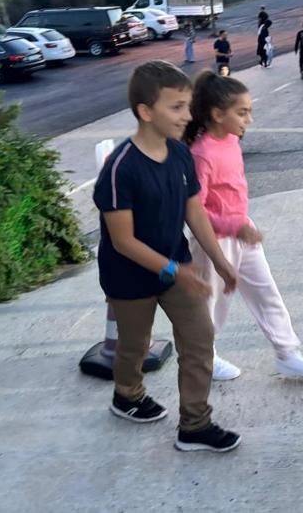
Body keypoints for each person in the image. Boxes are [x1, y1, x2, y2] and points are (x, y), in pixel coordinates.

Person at [92, 60, 241, 453]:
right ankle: (127, 394)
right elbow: (123, 241)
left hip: (177, 267)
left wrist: (220, 261)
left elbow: (195, 211)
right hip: (130, 275)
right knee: (135, 346)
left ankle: (194, 425)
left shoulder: (179, 154)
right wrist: (175, 269)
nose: (186, 116)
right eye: (176, 107)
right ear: (145, 111)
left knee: (199, 339)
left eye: (187, 106)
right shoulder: (120, 169)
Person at [184, 71, 303, 381]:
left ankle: (288, 354)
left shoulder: (232, 140)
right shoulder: (202, 153)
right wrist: (233, 226)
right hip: (214, 242)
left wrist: (242, 225)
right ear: (217, 114)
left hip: (243, 233)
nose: (249, 119)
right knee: (212, 304)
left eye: (249, 111)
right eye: (242, 112)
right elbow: (194, 210)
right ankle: (204, 357)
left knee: (266, 293)